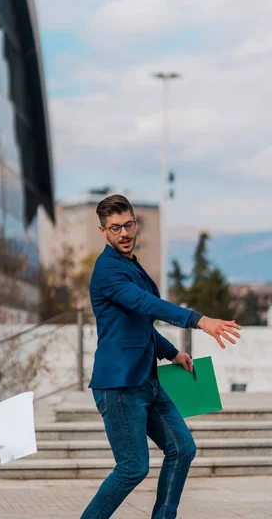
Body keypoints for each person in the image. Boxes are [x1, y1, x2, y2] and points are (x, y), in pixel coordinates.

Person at [80, 194, 241, 519]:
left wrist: (172, 353)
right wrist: (200, 320)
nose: (124, 233)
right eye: (115, 229)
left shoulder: (130, 264)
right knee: (132, 468)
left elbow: (139, 325)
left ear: (135, 223)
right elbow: (147, 306)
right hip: (120, 386)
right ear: (103, 232)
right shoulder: (108, 271)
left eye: (128, 225)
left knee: (182, 449)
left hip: (147, 381)